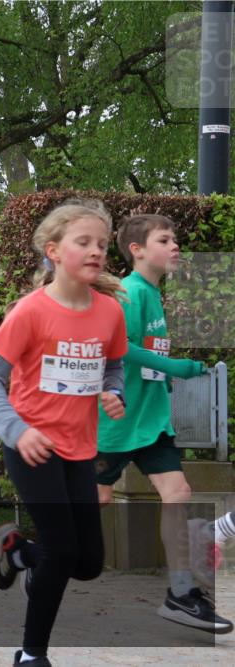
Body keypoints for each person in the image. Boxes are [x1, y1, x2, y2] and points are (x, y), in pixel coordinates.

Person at [0, 200, 129, 665]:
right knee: (63, 554)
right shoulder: (29, 312)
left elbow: (114, 366)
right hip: (32, 448)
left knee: (87, 564)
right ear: (54, 250)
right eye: (83, 242)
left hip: (80, 450)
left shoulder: (109, 313)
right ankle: (31, 653)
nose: (96, 251)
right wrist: (17, 431)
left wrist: (112, 392)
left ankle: (20, 552)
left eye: (102, 244)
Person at [95, 214, 231, 633]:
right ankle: (37, 556)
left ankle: (181, 593)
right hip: (115, 424)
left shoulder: (153, 294)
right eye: (165, 240)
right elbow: (122, 348)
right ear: (137, 249)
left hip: (152, 422)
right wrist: (174, 366)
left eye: (175, 240)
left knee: (179, 492)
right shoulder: (128, 293)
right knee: (90, 505)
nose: (176, 247)